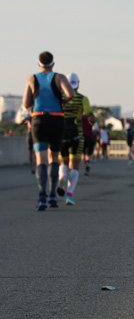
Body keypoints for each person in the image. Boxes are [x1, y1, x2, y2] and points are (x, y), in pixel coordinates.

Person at [22, 51, 75, 210]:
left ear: (39, 64)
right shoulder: (59, 78)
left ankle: (42, 197)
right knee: (54, 157)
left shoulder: (32, 78)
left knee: (41, 159)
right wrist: (62, 101)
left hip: (39, 120)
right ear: (53, 63)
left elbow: (26, 103)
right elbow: (70, 94)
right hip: (57, 120)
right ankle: (52, 195)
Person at [56, 73, 93, 206]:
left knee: (63, 162)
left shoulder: (59, 98)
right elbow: (90, 117)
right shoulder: (83, 99)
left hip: (61, 134)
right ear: (78, 84)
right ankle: (70, 195)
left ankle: (62, 177)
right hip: (77, 134)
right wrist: (92, 120)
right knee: (75, 166)